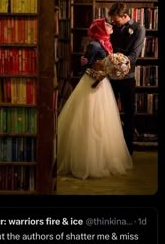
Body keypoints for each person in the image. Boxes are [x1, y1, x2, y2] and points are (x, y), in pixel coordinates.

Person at [57, 18, 133, 180]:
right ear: (99, 29)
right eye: (106, 25)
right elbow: (85, 66)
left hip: (102, 81)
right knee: (89, 118)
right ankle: (88, 160)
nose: (110, 26)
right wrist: (94, 67)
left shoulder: (104, 42)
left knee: (102, 119)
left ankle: (102, 158)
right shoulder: (94, 45)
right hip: (93, 82)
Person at [81, 2, 146, 155]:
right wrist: (88, 59)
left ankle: (127, 151)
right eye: (112, 22)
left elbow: (133, 57)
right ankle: (109, 150)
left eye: (116, 21)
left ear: (125, 16)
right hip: (108, 78)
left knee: (129, 114)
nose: (113, 24)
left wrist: (110, 63)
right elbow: (101, 46)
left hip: (127, 78)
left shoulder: (138, 29)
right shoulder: (112, 28)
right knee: (108, 114)